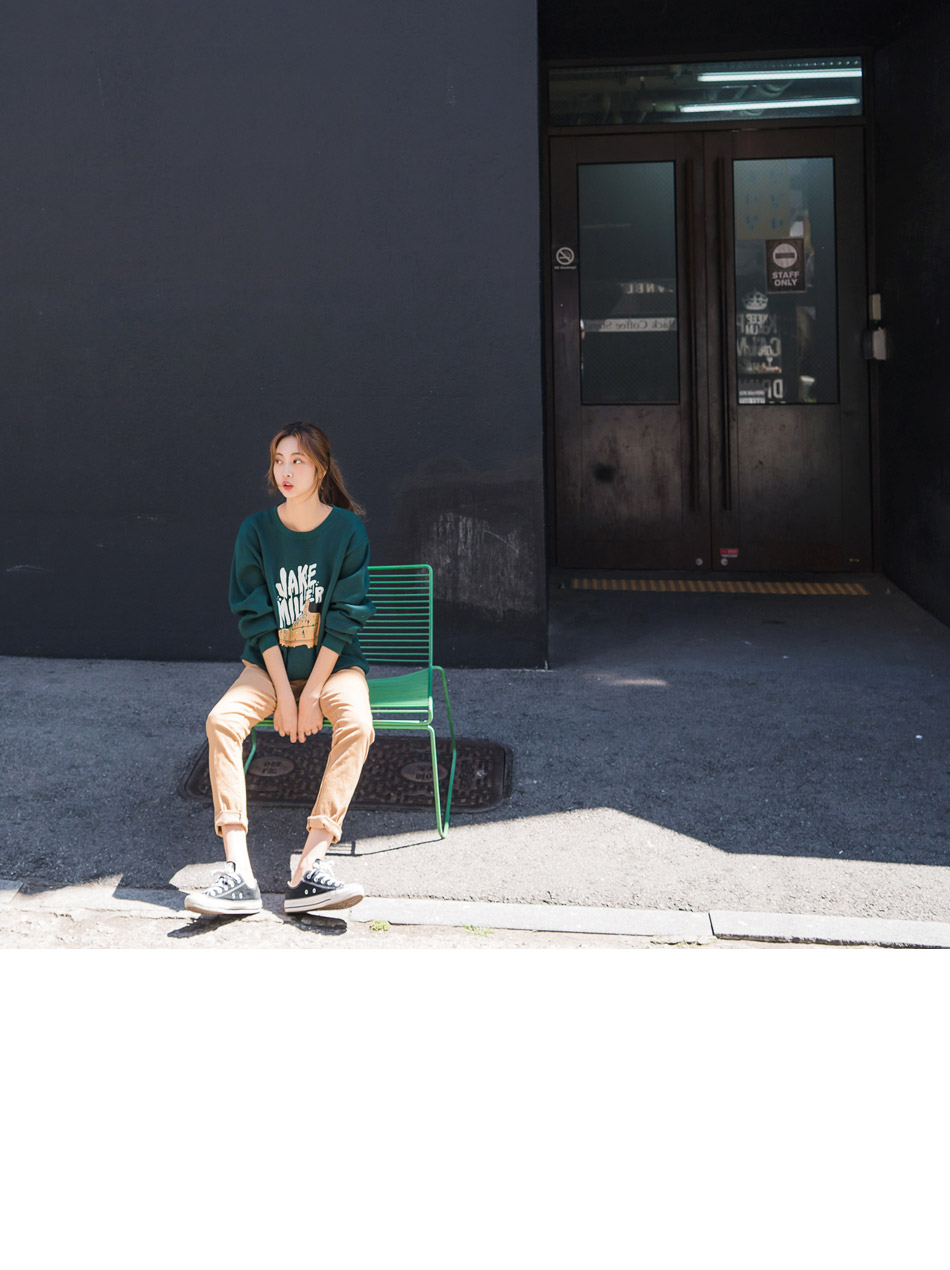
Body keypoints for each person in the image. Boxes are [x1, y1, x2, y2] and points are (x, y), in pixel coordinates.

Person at [185, 423, 374, 918]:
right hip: (268, 669)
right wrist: (286, 695)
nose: (285, 471)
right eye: (279, 460)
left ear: (321, 470)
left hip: (334, 669)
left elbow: (346, 616)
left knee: (357, 725)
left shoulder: (347, 530)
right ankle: (238, 872)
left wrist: (310, 693)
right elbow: (256, 615)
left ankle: (310, 866)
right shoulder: (256, 530)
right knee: (222, 721)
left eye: (298, 461)